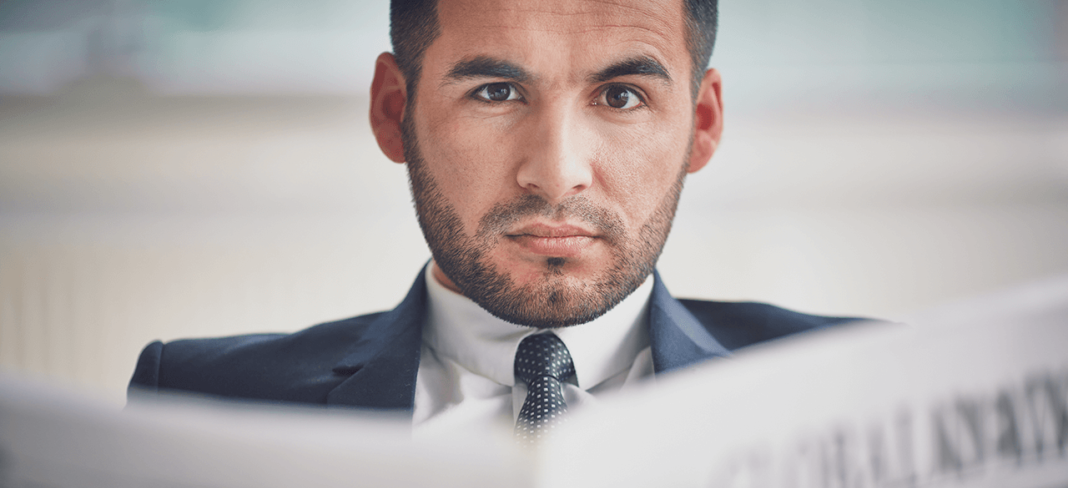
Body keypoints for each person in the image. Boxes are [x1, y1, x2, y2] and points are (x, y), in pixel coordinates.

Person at [129, 0, 862, 437]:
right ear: (396, 111)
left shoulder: (871, 390)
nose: (555, 171)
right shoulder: (200, 405)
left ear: (701, 124)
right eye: (496, 92)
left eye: (621, 97)